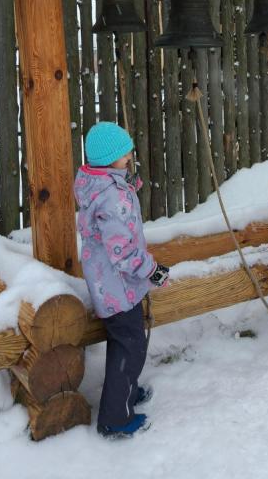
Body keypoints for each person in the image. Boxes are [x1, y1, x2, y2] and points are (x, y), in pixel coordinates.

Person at [74, 122, 169, 439]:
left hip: (110, 284)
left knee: (126, 344)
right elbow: (123, 252)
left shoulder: (101, 187)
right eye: (124, 152)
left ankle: (125, 393)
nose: (130, 155)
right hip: (118, 286)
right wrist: (152, 269)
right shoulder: (112, 199)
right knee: (130, 348)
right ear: (109, 158)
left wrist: (128, 191)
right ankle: (115, 417)